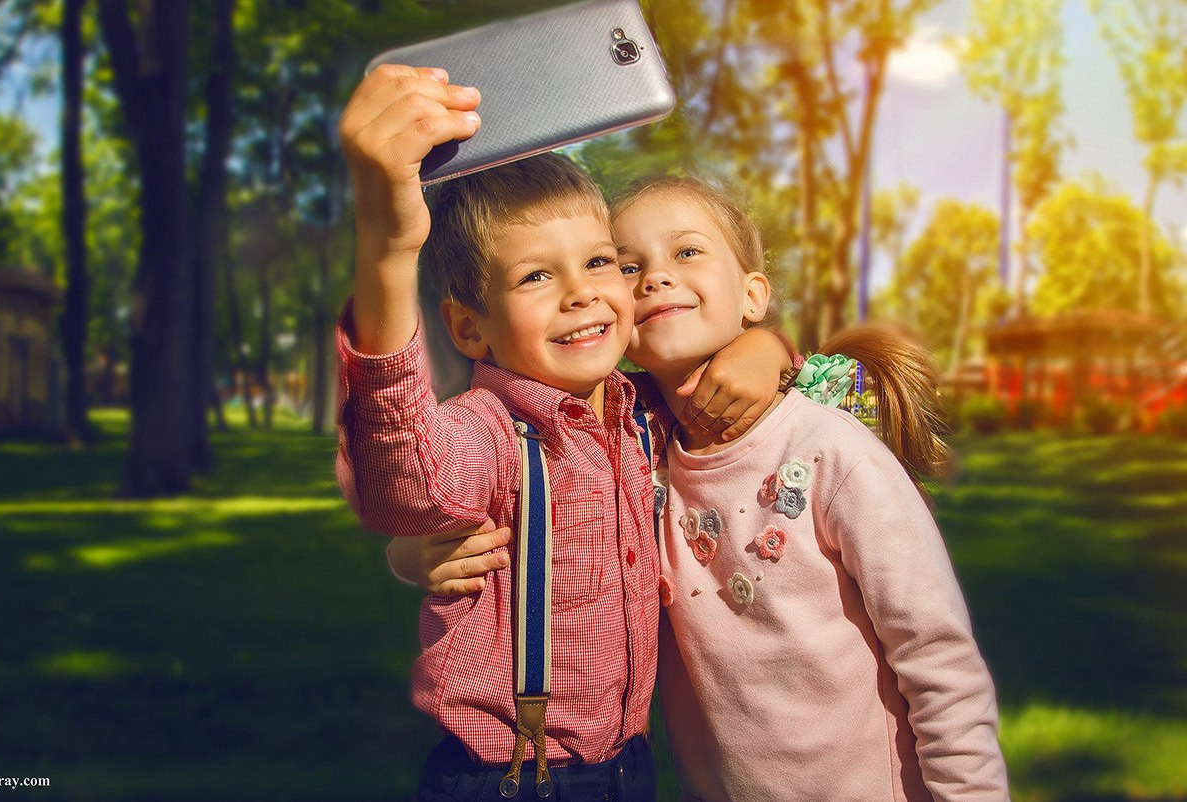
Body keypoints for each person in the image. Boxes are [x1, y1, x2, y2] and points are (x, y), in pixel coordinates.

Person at [393, 176, 1012, 800]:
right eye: (627, 265)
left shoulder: (831, 451)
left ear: (752, 294)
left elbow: (938, 660)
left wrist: (767, 346)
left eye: (686, 252)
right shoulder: (637, 446)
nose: (655, 278)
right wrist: (417, 550)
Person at [336, 67, 792, 801]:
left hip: (630, 771)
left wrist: (762, 348)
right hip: (514, 779)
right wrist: (388, 253)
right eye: (534, 279)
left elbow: (836, 384)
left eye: (599, 262)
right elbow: (408, 482)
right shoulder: (489, 433)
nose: (582, 291)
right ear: (467, 327)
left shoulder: (639, 412)